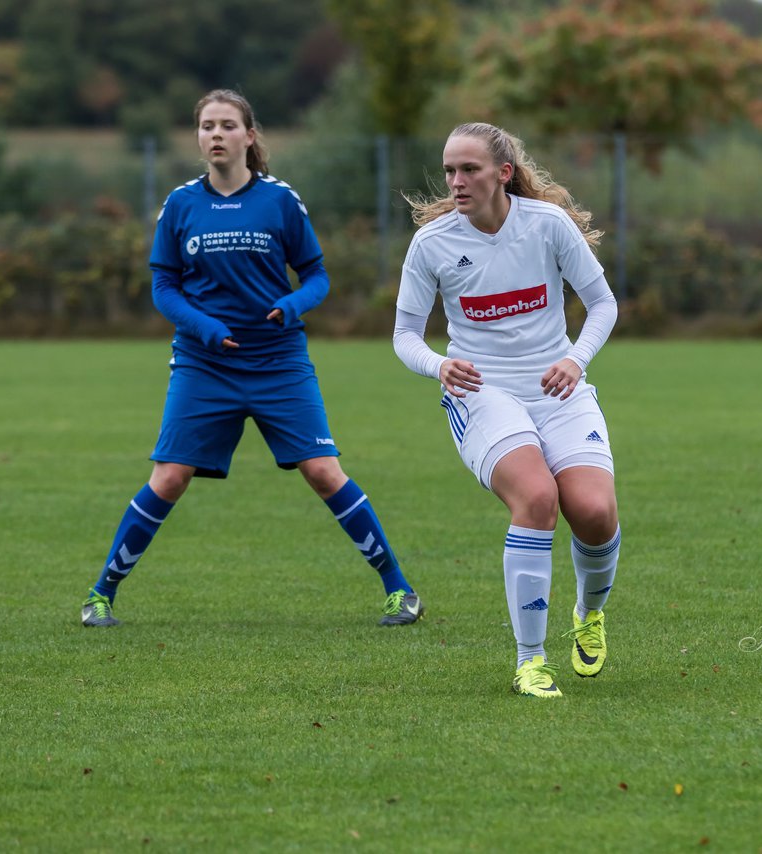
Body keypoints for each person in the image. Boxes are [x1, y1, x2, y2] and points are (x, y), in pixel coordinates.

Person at [80, 89, 424, 628]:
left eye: (226, 125)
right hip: (203, 362)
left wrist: (291, 305)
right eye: (206, 126)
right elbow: (164, 287)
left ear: (249, 135)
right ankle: (101, 595)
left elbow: (316, 276)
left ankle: (399, 590)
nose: (215, 134)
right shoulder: (180, 204)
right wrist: (205, 327)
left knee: (323, 470)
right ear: (198, 137)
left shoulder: (280, 200)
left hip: (278, 361)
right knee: (169, 477)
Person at [393, 122, 621, 698]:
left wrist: (575, 359)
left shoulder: (546, 225)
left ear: (503, 172)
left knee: (595, 512)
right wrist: (438, 365)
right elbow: (404, 335)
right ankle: (530, 660)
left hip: (557, 387)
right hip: (482, 392)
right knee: (538, 497)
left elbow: (601, 304)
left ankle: (588, 615)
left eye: (468, 169)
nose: (456, 180)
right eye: (449, 169)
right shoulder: (433, 243)